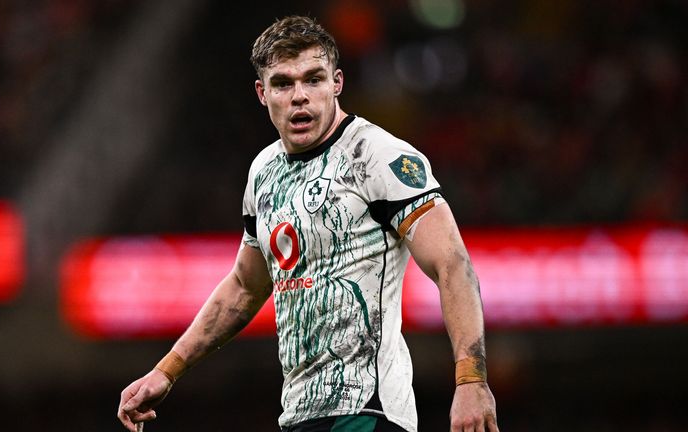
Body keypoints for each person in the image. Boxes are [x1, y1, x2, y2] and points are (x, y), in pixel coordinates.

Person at [118, 15, 498, 432]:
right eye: (283, 84)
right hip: (299, 416)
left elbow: (453, 264)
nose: (300, 96)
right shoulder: (264, 171)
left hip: (367, 411)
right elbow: (245, 286)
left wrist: (471, 380)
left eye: (313, 79)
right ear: (262, 94)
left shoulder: (377, 156)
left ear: (337, 82)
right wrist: (167, 371)